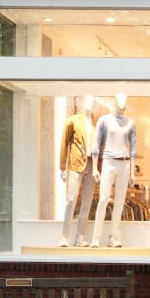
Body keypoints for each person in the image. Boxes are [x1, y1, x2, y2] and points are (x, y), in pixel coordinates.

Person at [90, 93, 137, 248]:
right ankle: (96, 237)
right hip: (108, 162)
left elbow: (133, 149)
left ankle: (113, 237)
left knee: (119, 202)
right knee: (103, 199)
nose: (122, 106)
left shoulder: (130, 123)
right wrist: (95, 168)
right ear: (115, 103)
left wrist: (132, 172)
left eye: (125, 104)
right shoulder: (104, 120)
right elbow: (96, 144)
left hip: (125, 164)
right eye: (119, 103)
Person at [58, 94, 96, 247]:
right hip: (75, 164)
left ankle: (80, 236)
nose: (89, 103)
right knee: (71, 200)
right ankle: (64, 236)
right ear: (82, 102)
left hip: (91, 166)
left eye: (92, 100)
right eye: (87, 100)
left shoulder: (95, 123)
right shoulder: (72, 121)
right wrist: (62, 166)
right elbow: (64, 143)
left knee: (87, 203)